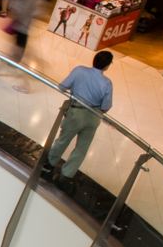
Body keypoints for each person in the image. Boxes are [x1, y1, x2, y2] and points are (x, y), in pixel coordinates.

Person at [44, 52, 113, 184]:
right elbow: (106, 107)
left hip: (76, 112)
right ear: (107, 66)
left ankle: (50, 164)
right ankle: (67, 173)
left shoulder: (79, 70)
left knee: (63, 139)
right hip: (94, 116)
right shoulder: (107, 83)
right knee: (82, 147)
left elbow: (62, 86)